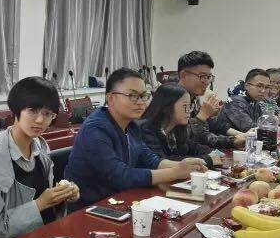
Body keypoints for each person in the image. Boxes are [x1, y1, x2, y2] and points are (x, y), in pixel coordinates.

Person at [65, 68, 207, 209]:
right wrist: (175, 172)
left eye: (144, 95)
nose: (140, 102)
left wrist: (186, 166)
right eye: (132, 95)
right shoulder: (95, 129)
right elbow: (120, 176)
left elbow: (150, 160)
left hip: (122, 200)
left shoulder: (131, 125)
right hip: (90, 209)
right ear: (111, 98)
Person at [0, 77, 78, 238]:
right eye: (32, 111)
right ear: (16, 110)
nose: (40, 120)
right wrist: (40, 204)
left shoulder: (40, 147)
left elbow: (45, 203)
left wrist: (61, 196)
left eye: (47, 113)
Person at [177, 51, 245, 149]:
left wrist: (233, 141)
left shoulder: (194, 98)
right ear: (183, 75)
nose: (207, 82)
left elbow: (203, 135)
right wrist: (201, 117)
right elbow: (182, 142)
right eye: (202, 76)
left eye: (209, 77)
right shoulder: (170, 99)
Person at [139, 83, 217, 168]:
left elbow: (193, 147)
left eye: (189, 106)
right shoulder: (146, 129)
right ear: (167, 106)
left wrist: (214, 153)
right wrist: (208, 159)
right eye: (185, 106)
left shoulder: (177, 128)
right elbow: (163, 162)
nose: (188, 111)